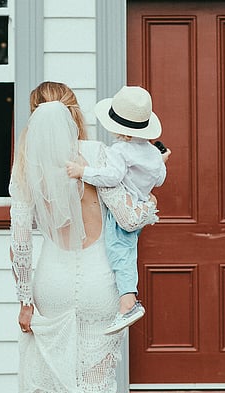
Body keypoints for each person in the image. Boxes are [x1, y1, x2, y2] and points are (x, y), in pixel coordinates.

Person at [9, 81, 158, 393]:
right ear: (75, 112)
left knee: (70, 386)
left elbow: (20, 243)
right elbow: (127, 216)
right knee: (97, 392)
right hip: (99, 281)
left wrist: (25, 301)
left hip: (51, 282)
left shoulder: (25, 165)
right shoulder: (95, 154)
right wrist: (150, 203)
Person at [66, 86, 170, 335]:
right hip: (140, 210)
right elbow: (160, 179)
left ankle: (128, 302)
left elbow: (111, 177)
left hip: (121, 211)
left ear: (119, 129)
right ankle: (127, 297)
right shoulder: (152, 153)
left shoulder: (120, 151)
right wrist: (158, 163)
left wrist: (83, 172)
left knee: (118, 252)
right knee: (127, 250)